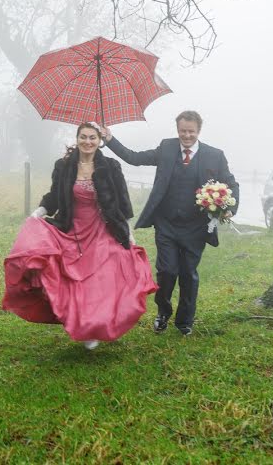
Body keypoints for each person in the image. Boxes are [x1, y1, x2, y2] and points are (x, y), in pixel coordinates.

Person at [2, 123, 158, 350]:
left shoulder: (111, 167)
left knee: (102, 278)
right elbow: (55, 196)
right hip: (71, 229)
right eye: (83, 137)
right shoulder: (64, 166)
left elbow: (122, 203)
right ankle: (83, 323)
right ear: (77, 139)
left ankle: (94, 324)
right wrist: (39, 212)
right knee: (76, 280)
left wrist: (128, 232)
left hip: (103, 228)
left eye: (93, 137)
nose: (88, 141)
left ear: (99, 140)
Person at [100, 111, 239, 336]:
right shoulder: (166, 148)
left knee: (188, 273)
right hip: (166, 224)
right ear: (177, 129)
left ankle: (185, 321)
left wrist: (229, 209)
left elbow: (232, 183)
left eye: (191, 132)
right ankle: (163, 313)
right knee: (166, 271)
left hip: (196, 227)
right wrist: (109, 139)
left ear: (199, 131)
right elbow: (134, 158)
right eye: (183, 131)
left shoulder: (215, 156)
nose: (186, 136)